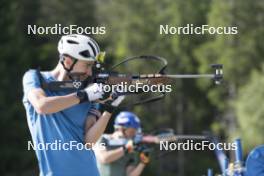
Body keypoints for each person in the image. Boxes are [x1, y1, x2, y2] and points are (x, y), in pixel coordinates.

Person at [22, 34, 124, 176]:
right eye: (87, 65)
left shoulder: (89, 90)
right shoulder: (35, 77)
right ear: (68, 61)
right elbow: (41, 106)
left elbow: (88, 142)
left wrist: (109, 108)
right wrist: (83, 95)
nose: (89, 71)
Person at [94, 111, 150, 176]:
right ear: (121, 128)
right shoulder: (102, 139)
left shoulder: (131, 147)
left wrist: (144, 161)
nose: (133, 134)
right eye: (131, 131)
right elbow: (104, 158)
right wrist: (126, 148)